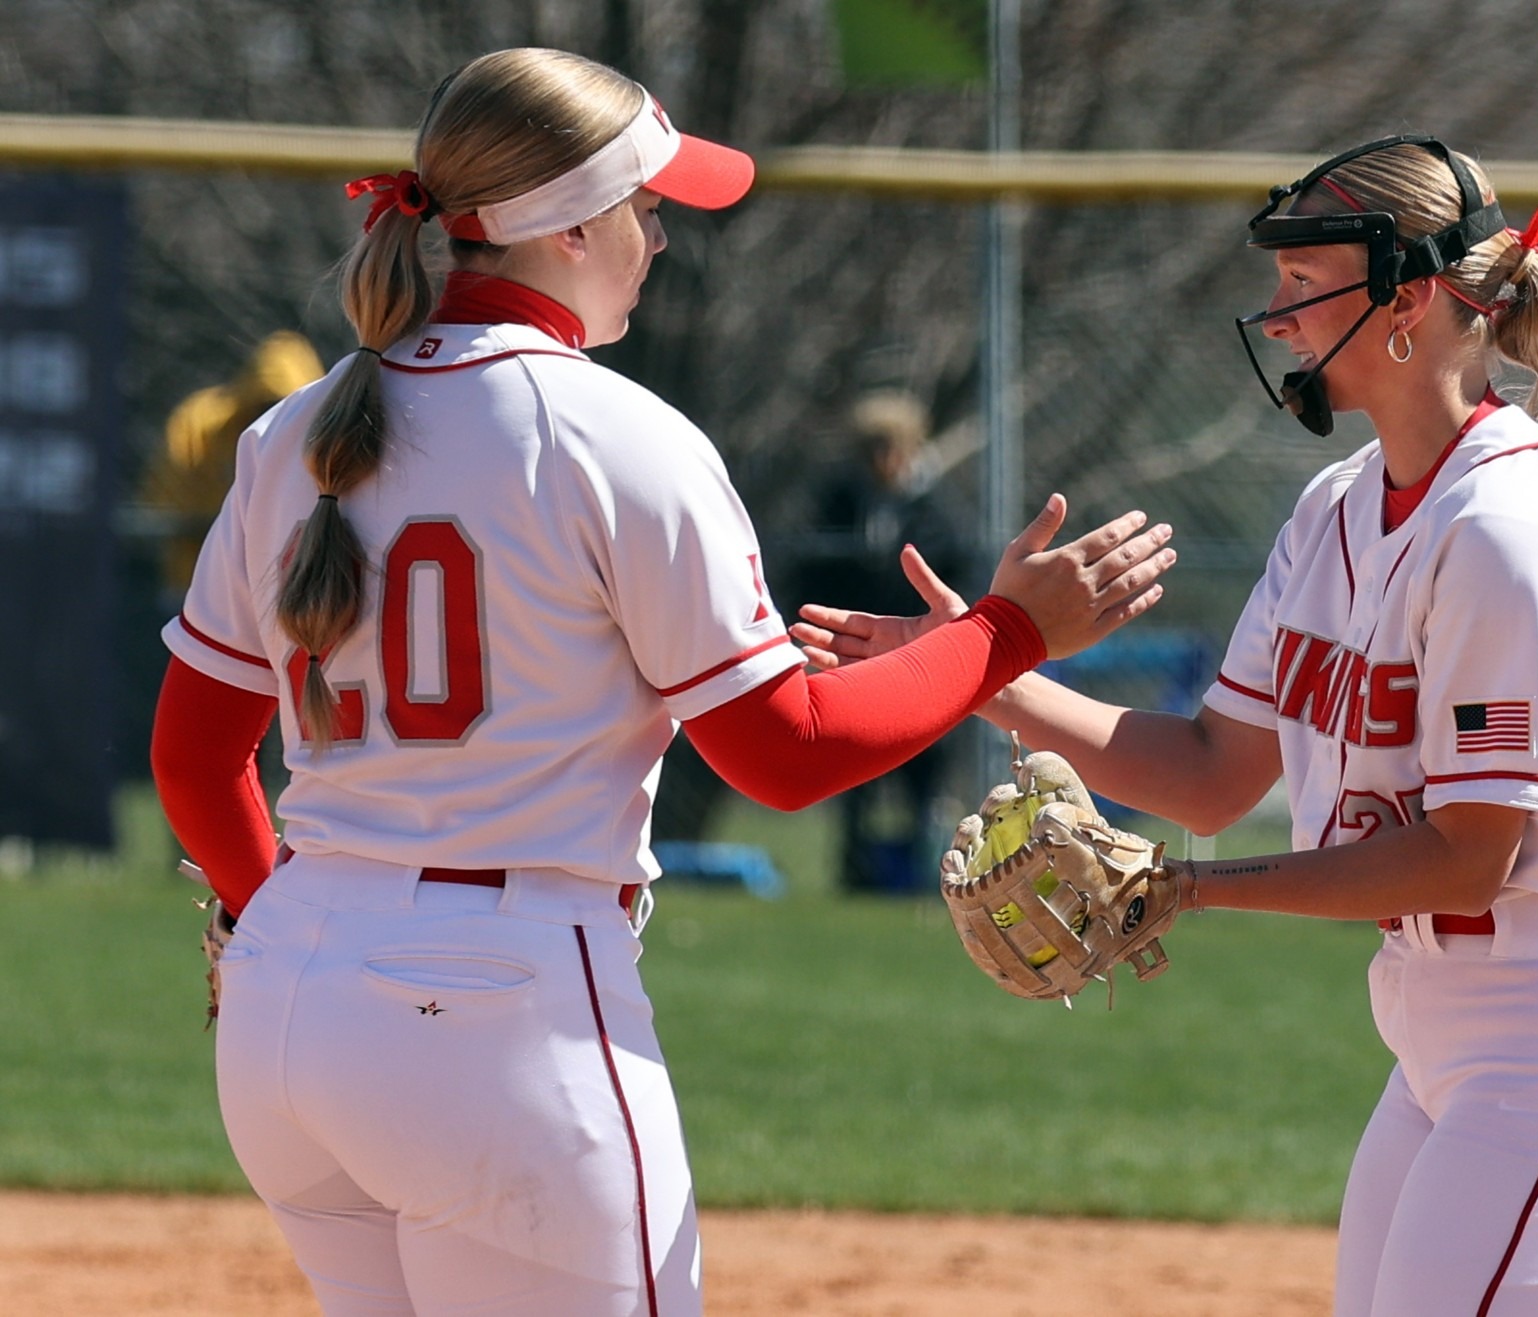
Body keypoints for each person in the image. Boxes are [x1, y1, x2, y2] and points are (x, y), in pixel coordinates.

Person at [147, 47, 1175, 1317]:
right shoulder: (616, 434)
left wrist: (288, 926)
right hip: (502, 1012)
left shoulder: (288, 433)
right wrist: (1011, 633)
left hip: (291, 1011)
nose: (658, 235)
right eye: (644, 207)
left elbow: (195, 761)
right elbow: (784, 753)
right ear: (568, 227)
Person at [793, 135, 1538, 1315]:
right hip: (1445, 1033)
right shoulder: (1336, 510)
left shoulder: (1506, 532)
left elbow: (1469, 857)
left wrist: (1183, 892)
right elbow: (1215, 774)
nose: (1275, 316)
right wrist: (982, 675)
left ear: (1410, 300)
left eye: (1303, 282)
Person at [785, 388, 966, 891]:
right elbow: (807, 571)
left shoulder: (934, 509)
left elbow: (955, 568)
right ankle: (855, 874)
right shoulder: (839, 504)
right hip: (853, 659)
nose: (884, 460)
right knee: (854, 771)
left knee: (924, 775)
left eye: (894, 447)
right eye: (873, 449)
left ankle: (931, 875)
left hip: (921, 658)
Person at [140, 329, 325, 596]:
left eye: (285, 407)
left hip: (296, 589)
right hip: (202, 584)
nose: (271, 419)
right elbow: (166, 508)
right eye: (265, 406)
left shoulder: (332, 431)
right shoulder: (201, 423)